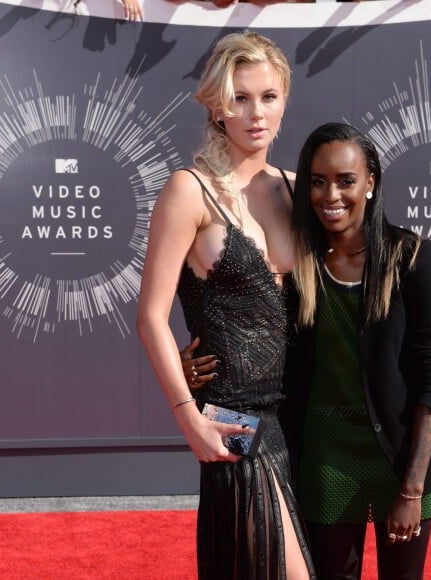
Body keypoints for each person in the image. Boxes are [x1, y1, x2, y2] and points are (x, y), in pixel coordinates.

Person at [184, 122, 431, 579]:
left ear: (370, 183)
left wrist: (411, 490)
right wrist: (190, 364)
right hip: (327, 459)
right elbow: (250, 328)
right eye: (317, 181)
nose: (331, 194)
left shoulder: (409, 256)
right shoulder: (299, 263)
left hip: (404, 458)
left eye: (346, 180)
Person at [137, 31, 314, 580]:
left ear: (285, 99)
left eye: (268, 96)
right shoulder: (189, 189)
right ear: (217, 106)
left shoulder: (298, 189)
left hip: (299, 412)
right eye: (239, 97)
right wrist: (189, 418)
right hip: (233, 416)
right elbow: (150, 315)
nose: (255, 112)